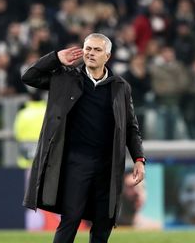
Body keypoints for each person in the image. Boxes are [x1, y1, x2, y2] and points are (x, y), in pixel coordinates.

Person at [21, 33, 145, 243]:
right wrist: (55, 58)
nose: (90, 53)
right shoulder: (66, 78)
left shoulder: (120, 86)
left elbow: (131, 128)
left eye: (97, 50)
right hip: (76, 163)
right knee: (70, 220)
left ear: (108, 56)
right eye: (88, 48)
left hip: (108, 166)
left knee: (102, 226)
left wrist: (139, 159)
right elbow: (29, 77)